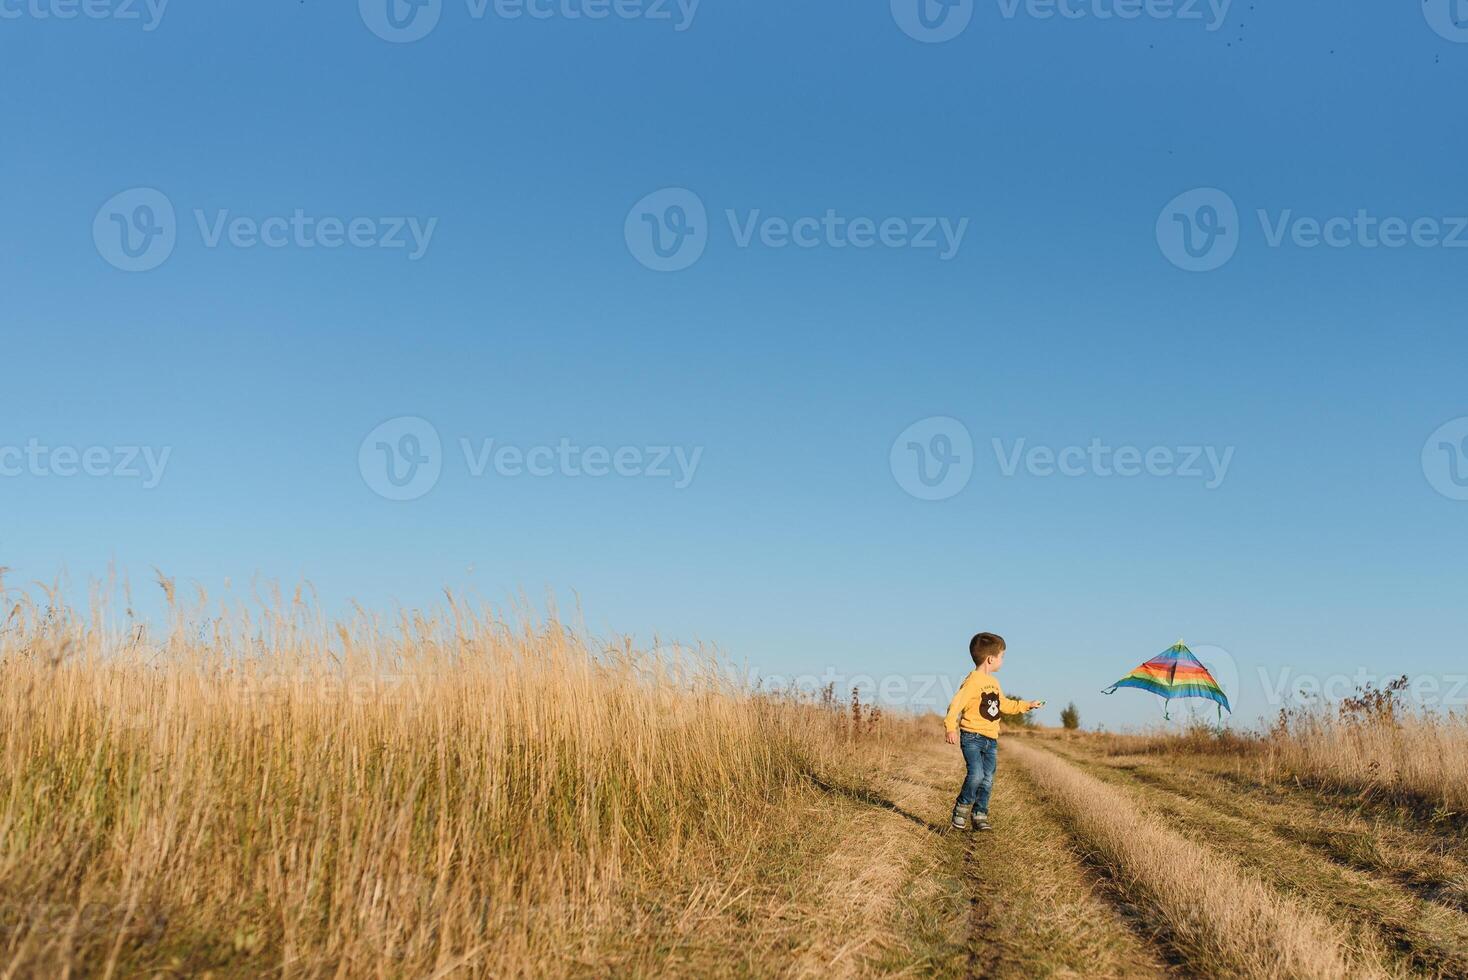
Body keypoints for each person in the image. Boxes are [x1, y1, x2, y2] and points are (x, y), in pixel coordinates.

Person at [943, 632, 1041, 831]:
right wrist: (950, 727)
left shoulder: (994, 683)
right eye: (1002, 656)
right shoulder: (972, 682)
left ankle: (980, 814)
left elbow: (1003, 704)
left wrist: (1026, 705)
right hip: (972, 737)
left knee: (988, 778)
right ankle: (962, 807)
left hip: (991, 739)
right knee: (976, 775)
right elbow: (955, 705)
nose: (1002, 661)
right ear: (990, 659)